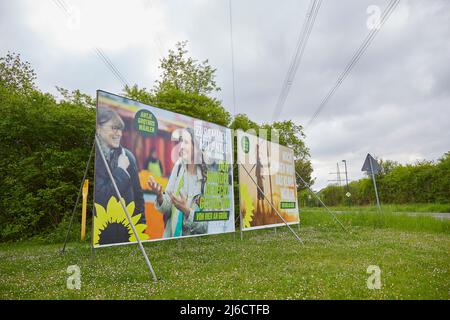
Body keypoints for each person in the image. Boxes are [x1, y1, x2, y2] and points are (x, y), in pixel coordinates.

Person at [147, 127, 207, 237]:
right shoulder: (179, 166)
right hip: (171, 240)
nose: (182, 146)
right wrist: (160, 196)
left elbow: (206, 226)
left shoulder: (207, 178)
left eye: (186, 142)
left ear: (197, 148)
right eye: (181, 142)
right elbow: (168, 207)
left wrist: (187, 211)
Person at [95, 107, 145, 224]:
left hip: (127, 229)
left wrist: (141, 225)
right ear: (98, 129)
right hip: (104, 230)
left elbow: (138, 197)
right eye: (114, 128)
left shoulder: (128, 156)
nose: (119, 134)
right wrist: (121, 170)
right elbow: (102, 199)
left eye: (120, 129)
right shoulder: (96, 157)